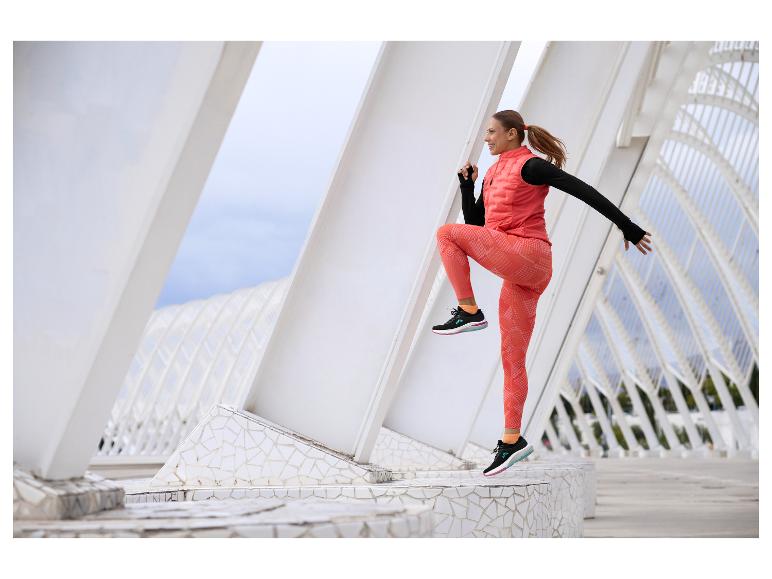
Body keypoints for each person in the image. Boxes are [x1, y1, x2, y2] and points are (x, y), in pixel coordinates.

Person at [433, 109, 652, 476]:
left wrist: (626, 227)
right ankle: (511, 440)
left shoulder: (531, 167)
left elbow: (583, 191)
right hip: (518, 269)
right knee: (512, 359)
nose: (486, 138)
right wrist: (466, 186)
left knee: (445, 233)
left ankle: (469, 311)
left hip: (530, 255)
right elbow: (477, 228)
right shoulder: (491, 173)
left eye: (491, 132)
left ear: (513, 134)